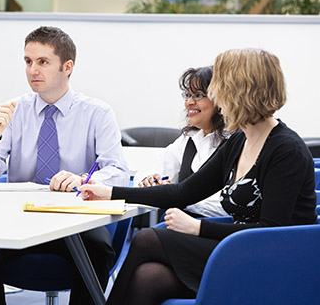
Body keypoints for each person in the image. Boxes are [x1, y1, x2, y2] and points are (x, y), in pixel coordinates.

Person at [80, 48, 317, 305]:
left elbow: (271, 230)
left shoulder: (286, 150)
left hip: (273, 259)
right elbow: (184, 192)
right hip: (238, 248)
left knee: (146, 238)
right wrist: (111, 192)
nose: (215, 96)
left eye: (218, 88)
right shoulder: (240, 140)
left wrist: (197, 227)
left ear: (240, 91)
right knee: (149, 277)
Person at [0, 26, 130, 305]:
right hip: (18, 217)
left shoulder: (97, 113)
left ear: (67, 66)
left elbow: (120, 173)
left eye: (42, 62)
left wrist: (82, 180)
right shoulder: (16, 110)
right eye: (28, 61)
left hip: (76, 219)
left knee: (99, 249)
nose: (32, 71)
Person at [136, 66, 228, 218]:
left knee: (147, 238)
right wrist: (149, 181)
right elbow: (150, 171)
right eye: (187, 95)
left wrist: (176, 197)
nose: (189, 102)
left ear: (221, 100)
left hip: (219, 227)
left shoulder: (236, 141)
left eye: (198, 95)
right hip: (181, 221)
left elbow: (226, 204)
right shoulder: (190, 138)